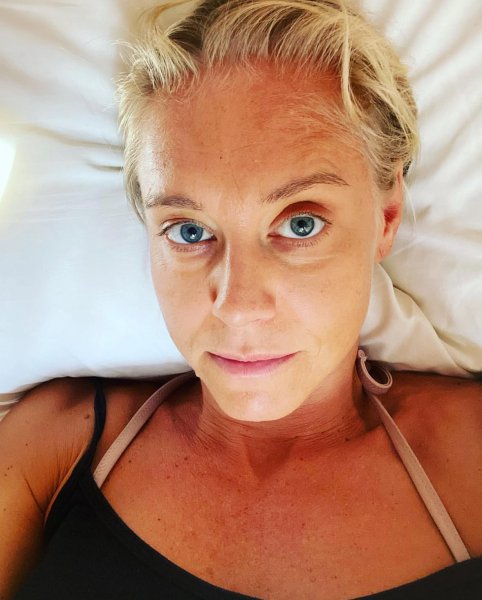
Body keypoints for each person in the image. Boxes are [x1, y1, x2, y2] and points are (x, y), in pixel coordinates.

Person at [1, 0, 481, 598]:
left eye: (301, 224)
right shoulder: (58, 445)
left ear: (386, 218)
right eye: (189, 231)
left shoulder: (472, 456)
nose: (238, 306)